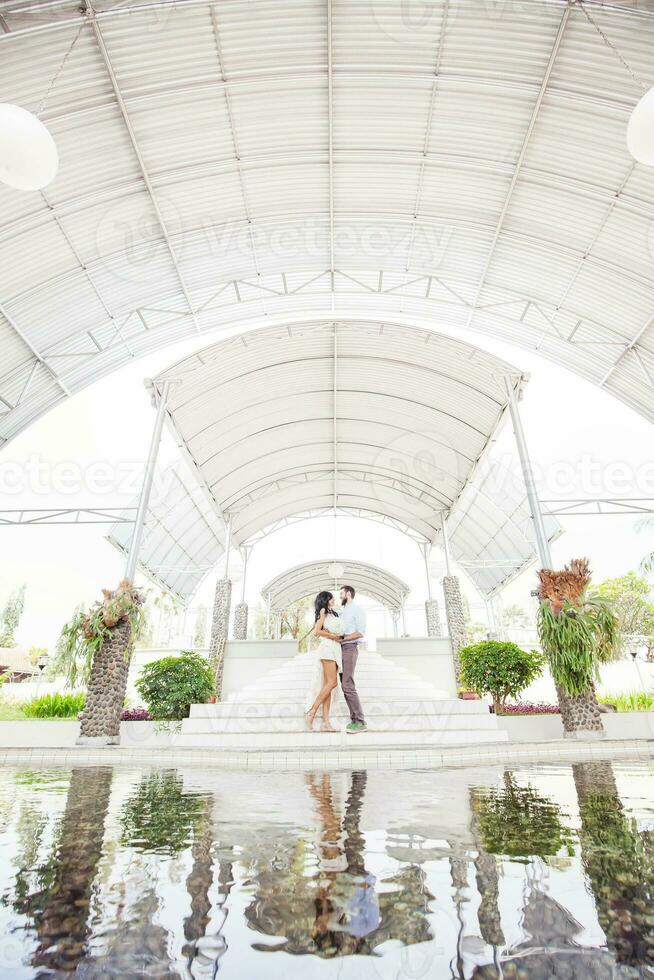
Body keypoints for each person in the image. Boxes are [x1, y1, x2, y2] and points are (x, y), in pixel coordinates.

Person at [305, 591, 346, 732]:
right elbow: (317, 631)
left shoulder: (333, 613)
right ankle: (311, 711)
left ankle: (325, 723)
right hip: (327, 648)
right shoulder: (323, 611)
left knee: (328, 686)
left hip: (335, 648)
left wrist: (339, 635)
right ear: (325, 599)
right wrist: (332, 635)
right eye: (331, 597)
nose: (333, 599)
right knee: (332, 683)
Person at [338, 585, 367, 733]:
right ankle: (354, 719)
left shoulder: (357, 610)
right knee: (344, 686)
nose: (339, 596)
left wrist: (344, 638)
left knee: (348, 685)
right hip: (340, 649)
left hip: (350, 648)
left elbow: (361, 632)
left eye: (341, 593)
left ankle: (360, 721)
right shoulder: (343, 612)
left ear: (348, 594)